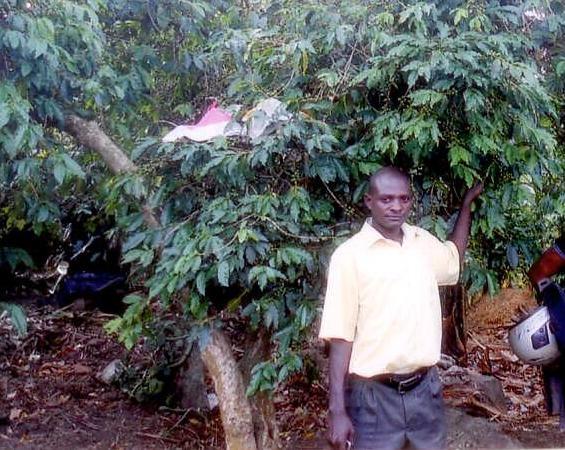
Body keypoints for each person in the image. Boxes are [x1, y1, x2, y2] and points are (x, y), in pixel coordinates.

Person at [319, 167, 483, 450]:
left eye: (404, 199)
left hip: (425, 393)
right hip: (372, 399)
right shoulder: (349, 257)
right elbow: (341, 336)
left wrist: (466, 206)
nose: (396, 207)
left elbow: (453, 260)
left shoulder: (421, 243)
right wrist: (337, 410)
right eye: (386, 199)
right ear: (369, 201)